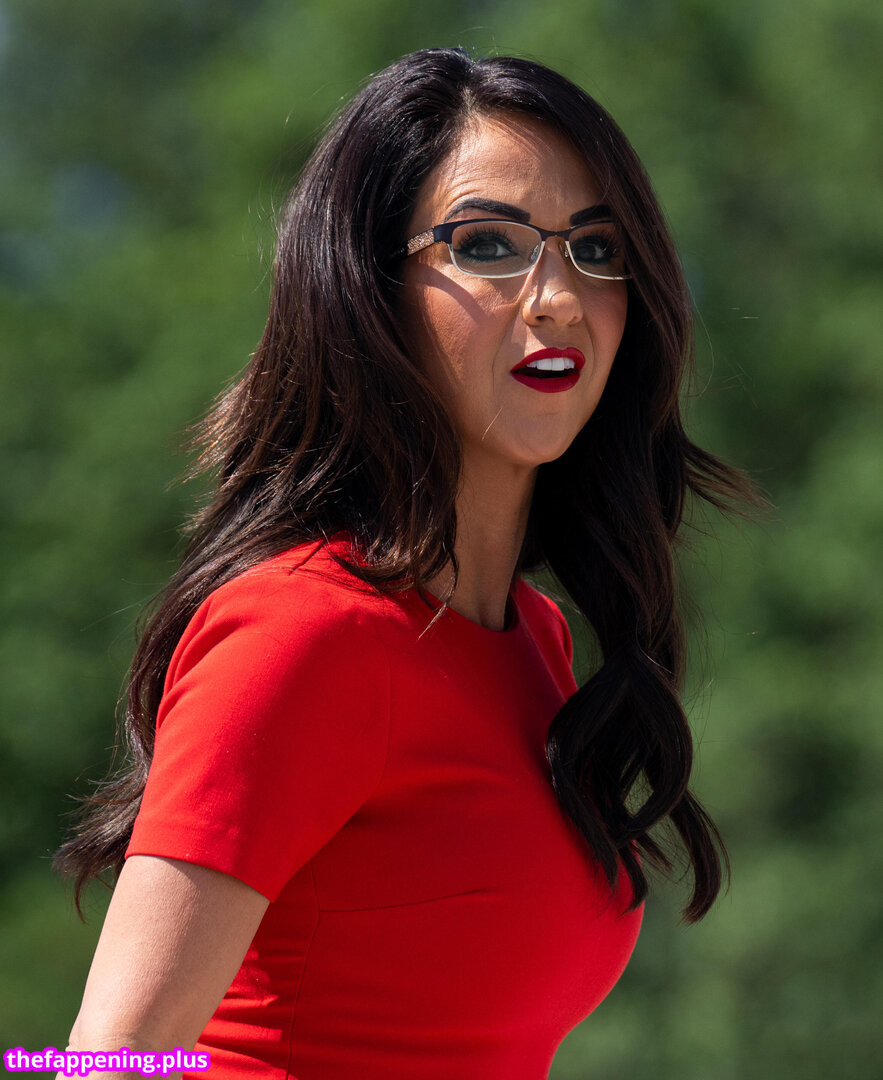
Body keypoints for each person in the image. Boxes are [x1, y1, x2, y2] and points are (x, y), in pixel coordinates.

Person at [55, 47, 758, 1080]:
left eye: (596, 250)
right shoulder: (304, 634)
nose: (557, 297)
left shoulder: (535, 643)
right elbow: (109, 1062)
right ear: (366, 287)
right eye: (488, 244)